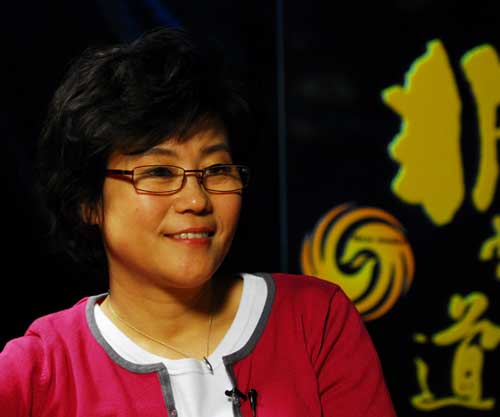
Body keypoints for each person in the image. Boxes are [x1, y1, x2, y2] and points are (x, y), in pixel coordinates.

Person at [0, 26, 397, 417]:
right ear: (88, 202)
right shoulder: (40, 371)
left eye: (217, 169)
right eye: (159, 172)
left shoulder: (315, 320)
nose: (196, 200)